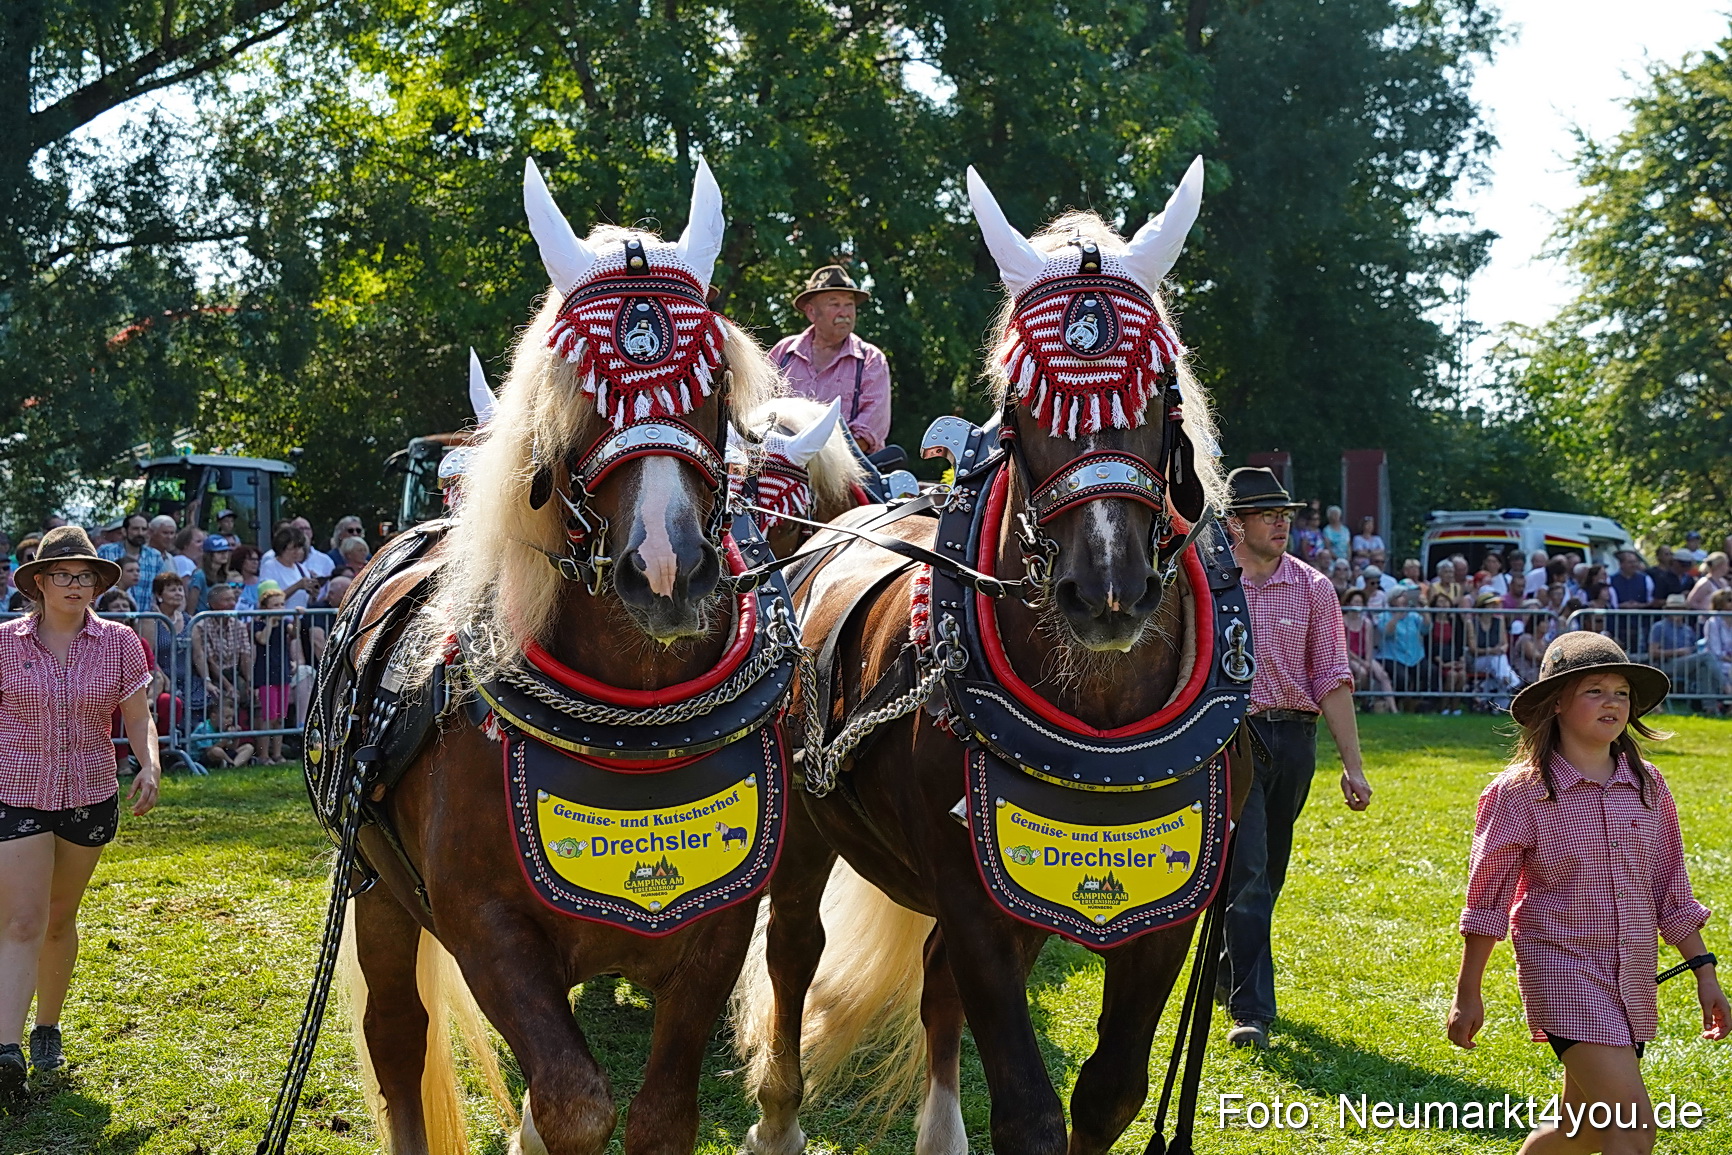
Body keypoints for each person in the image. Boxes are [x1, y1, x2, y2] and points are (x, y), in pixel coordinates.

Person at [1448, 633, 1728, 1154]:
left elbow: (1671, 889)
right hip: (1561, 971)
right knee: (1633, 1132)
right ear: (1557, 704)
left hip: (1632, 978)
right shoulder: (1518, 793)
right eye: (1595, 690)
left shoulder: (1649, 786)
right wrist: (1469, 992)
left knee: (1578, 1132)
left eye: (1621, 692)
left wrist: (1704, 972)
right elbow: (1486, 902)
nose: (1613, 703)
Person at [0, 527, 159, 1097]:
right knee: (21, 920)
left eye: (86, 574)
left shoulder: (118, 641)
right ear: (39, 582)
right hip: (15, 792)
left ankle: (47, 1028)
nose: (76, 584)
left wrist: (149, 764)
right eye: (63, 574)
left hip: (91, 792)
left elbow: (138, 716)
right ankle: (6, 1049)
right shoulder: (4, 643)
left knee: (59, 917)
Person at [1218, 468, 1372, 1050]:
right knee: (1252, 870)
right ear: (1236, 523)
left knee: (1265, 873)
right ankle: (1252, 1010)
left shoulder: (1313, 587)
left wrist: (1352, 765)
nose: (1282, 522)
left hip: (1296, 740)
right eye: (1267, 514)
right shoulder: (1210, 585)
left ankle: (1226, 971)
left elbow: (1332, 678)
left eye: (1285, 513)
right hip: (1232, 741)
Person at [767, 265, 891, 454]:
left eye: (849, 304)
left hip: (844, 471)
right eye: (834, 304)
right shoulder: (783, 353)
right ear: (811, 312)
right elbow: (756, 411)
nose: (844, 313)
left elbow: (869, 433)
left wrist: (821, 460)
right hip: (780, 467)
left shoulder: (870, 360)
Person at [252, 582, 297, 764]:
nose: (280, 608)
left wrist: (297, 617)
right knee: (268, 717)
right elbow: (262, 639)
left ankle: (278, 754)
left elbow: (294, 634)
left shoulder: (285, 623)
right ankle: (263, 755)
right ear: (265, 608)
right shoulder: (258, 624)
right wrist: (270, 622)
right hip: (266, 675)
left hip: (282, 673)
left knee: (280, 717)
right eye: (275, 605)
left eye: (282, 604)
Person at [1648, 594, 1718, 707]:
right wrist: (1678, 652)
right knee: (1707, 656)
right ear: (1667, 610)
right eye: (1674, 608)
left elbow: (1694, 649)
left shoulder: (1688, 629)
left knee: (1704, 669)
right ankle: (1728, 691)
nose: (1677, 611)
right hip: (1667, 664)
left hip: (1688, 664)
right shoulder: (1659, 627)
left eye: (1680, 608)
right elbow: (1653, 652)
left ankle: (1711, 709)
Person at [95, 515, 168, 611]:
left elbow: (162, 588)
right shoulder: (106, 551)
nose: (140, 533)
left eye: (144, 529)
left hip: (143, 619)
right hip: (112, 618)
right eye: (135, 529)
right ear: (124, 531)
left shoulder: (155, 556)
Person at [1342, 589, 1395, 713]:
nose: (1358, 605)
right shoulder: (1341, 621)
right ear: (1349, 603)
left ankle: (1394, 709)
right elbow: (1344, 648)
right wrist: (1362, 662)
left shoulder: (1367, 623)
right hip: (1348, 657)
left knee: (1383, 675)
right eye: (1355, 602)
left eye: (1360, 602)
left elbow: (1368, 645)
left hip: (1364, 657)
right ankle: (1359, 702)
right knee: (1362, 673)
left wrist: (1368, 661)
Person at [258, 527, 322, 609]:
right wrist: (296, 586)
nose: (297, 552)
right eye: (292, 549)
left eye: (299, 548)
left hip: (299, 619)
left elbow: (305, 601)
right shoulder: (270, 567)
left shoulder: (302, 569)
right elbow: (269, 600)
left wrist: (314, 594)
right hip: (280, 620)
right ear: (281, 548)